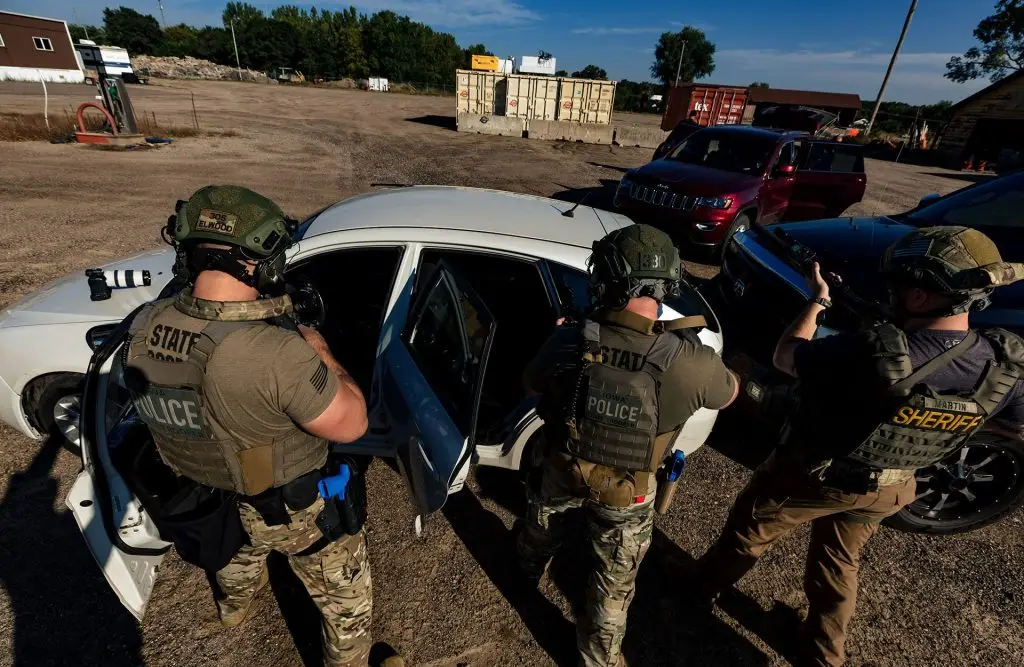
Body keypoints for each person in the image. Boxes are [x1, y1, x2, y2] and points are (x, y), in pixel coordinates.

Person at [695, 226, 1024, 666]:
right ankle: (824, 653)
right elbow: (1013, 428)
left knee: (749, 531)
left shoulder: (874, 352)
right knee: (838, 563)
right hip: (892, 487)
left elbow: (787, 357)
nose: (891, 293)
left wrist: (818, 300)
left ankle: (695, 591)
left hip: (816, 476)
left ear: (924, 297)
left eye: (899, 287)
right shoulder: (1002, 364)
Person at [124, 185, 401, 667]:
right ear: (261, 261)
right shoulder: (278, 355)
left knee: (236, 556)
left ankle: (233, 609)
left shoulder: (145, 324)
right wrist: (318, 350)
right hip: (290, 511)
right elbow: (352, 424)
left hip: (204, 498)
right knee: (346, 603)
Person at [517, 224, 740, 667]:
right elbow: (729, 394)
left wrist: (563, 336)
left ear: (610, 279)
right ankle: (597, 655)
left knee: (542, 523)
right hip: (630, 489)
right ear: (667, 282)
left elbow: (529, 384)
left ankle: (525, 570)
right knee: (613, 580)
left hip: (565, 466)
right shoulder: (690, 358)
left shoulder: (571, 339)